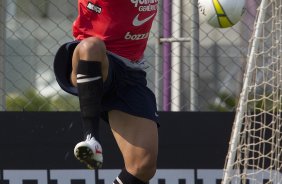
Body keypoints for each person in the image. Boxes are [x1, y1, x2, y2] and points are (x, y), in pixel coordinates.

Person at [53, 0, 159, 183]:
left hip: (130, 73)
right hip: (93, 62)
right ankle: (91, 138)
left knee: (143, 166)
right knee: (91, 46)